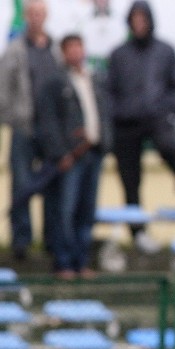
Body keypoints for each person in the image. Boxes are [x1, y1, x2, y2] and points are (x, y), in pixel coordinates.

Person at [107, 0, 175, 252]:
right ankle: (137, 232)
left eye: (143, 19)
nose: (139, 25)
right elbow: (109, 92)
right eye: (134, 20)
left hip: (156, 118)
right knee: (130, 179)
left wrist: (168, 109)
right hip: (126, 123)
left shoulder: (165, 51)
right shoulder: (119, 55)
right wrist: (119, 112)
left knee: (170, 147)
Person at [35, 34, 112, 280]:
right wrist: (60, 153)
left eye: (80, 47)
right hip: (70, 157)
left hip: (94, 153)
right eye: (71, 49)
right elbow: (48, 122)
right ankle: (64, 262)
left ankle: (82, 261)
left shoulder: (95, 79)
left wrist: (104, 142)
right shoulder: (55, 82)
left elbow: (104, 114)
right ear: (63, 53)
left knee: (86, 211)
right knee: (64, 210)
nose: (77, 53)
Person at [0, 0, 60, 261]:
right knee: (22, 185)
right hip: (24, 128)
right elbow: (3, 89)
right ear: (26, 17)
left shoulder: (55, 49)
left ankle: (51, 239)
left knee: (52, 186)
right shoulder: (15, 49)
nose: (36, 18)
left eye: (40, 13)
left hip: (51, 131)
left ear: (46, 16)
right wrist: (12, 118)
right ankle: (21, 242)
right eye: (32, 13)